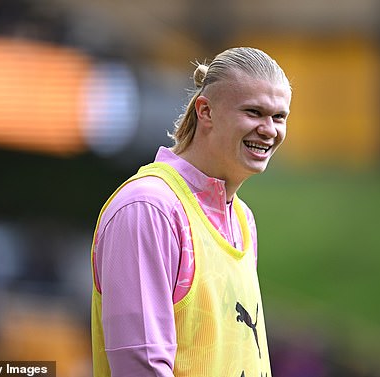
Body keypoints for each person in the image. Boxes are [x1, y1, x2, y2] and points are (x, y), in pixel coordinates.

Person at [91, 47, 292, 377]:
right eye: (254, 112)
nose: (269, 129)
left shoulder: (242, 219)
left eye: (279, 117)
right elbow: (141, 368)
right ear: (206, 112)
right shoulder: (149, 209)